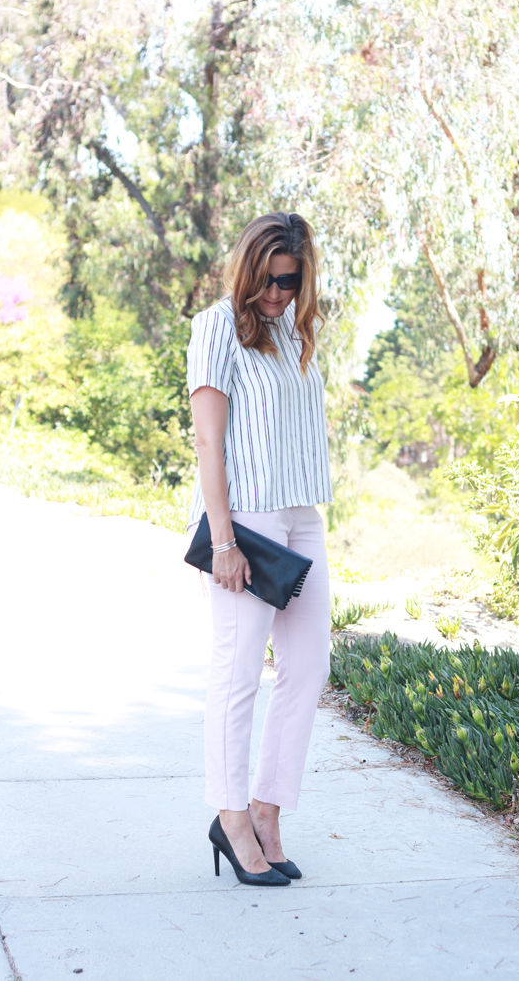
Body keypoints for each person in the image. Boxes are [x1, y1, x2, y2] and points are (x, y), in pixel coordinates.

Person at [186, 212, 333, 887]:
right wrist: (222, 541)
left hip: (301, 514)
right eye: (271, 279)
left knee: (307, 667)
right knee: (238, 672)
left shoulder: (293, 331)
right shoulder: (218, 326)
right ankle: (232, 816)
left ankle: (269, 808)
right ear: (249, 269)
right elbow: (209, 441)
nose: (278, 293)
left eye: (291, 281)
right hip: (245, 520)